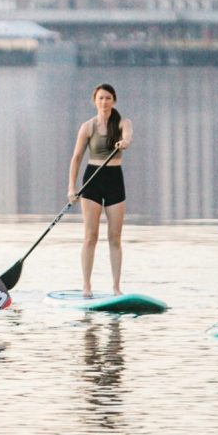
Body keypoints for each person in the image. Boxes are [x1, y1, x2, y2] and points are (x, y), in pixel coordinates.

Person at [67, 83, 133, 297]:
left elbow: (128, 137)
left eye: (108, 98)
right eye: (100, 98)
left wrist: (124, 142)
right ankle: (86, 286)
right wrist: (72, 188)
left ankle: (116, 287)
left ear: (113, 100)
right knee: (90, 236)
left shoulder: (123, 123)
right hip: (92, 181)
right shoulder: (87, 127)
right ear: (94, 101)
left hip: (115, 180)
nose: (104, 102)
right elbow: (76, 158)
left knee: (115, 236)